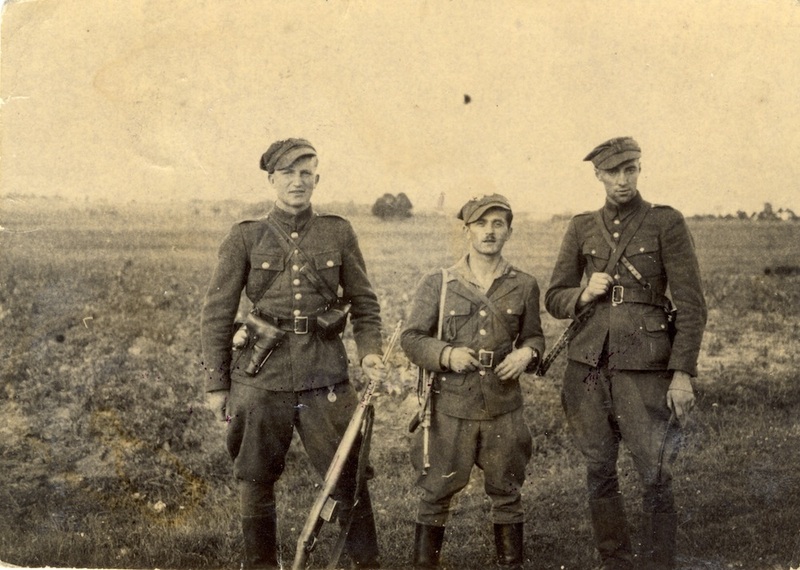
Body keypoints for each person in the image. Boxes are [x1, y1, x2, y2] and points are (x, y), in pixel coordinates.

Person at [201, 138, 385, 569]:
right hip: (261, 377)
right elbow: (216, 313)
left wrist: (370, 352)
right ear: (272, 180)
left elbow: (364, 301)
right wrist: (217, 383)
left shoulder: (338, 231)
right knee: (255, 477)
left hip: (325, 376)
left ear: (317, 179)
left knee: (348, 477)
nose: (297, 182)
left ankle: (366, 564)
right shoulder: (246, 235)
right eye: (287, 174)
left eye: (306, 173)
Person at [545, 137, 707, 570]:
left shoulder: (665, 223)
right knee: (599, 469)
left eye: (630, 169)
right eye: (613, 172)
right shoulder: (581, 226)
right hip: (588, 371)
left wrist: (682, 374)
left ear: (639, 169)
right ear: (597, 175)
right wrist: (583, 294)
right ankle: (614, 560)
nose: (622, 180)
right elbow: (555, 297)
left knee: (654, 472)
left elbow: (691, 305)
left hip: (645, 369)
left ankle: (658, 563)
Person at [401, 194, 545, 570]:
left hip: (503, 406)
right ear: (466, 231)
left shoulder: (524, 284)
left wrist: (526, 354)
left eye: (498, 224)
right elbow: (412, 338)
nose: (489, 231)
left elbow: (534, 337)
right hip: (450, 406)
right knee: (435, 493)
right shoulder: (440, 282)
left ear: (509, 232)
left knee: (507, 491)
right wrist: (446, 355)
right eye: (481, 224)